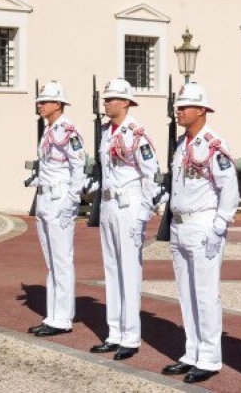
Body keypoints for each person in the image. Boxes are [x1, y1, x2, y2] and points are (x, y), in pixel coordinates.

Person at [160, 82, 239, 384]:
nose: (178, 111)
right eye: (178, 106)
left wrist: (220, 226)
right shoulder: (182, 144)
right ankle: (191, 351)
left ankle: (209, 357)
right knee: (186, 293)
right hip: (181, 224)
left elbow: (229, 188)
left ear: (202, 110)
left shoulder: (213, 144)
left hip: (203, 224)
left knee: (205, 294)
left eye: (185, 106)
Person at [85, 79, 159, 360]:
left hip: (129, 205)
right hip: (107, 204)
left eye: (112, 99)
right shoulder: (105, 132)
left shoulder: (136, 134)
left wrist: (144, 213)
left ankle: (131, 335)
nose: (107, 103)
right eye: (106, 99)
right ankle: (114, 332)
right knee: (111, 269)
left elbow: (151, 174)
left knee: (129, 271)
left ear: (126, 102)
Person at [26, 81, 86, 337]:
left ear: (58, 104)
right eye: (40, 101)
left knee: (61, 260)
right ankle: (53, 314)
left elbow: (78, 168)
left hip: (60, 199)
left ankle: (62, 318)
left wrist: (70, 201)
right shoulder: (49, 129)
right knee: (51, 260)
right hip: (45, 199)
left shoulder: (68, 131)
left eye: (45, 101)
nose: (40, 105)